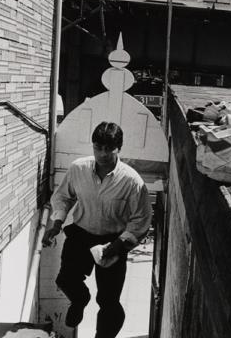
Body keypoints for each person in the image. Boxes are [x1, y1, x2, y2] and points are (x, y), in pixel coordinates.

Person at [42, 121, 152, 338]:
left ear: (119, 148)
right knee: (65, 280)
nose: (102, 154)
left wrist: (118, 246)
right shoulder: (78, 169)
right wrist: (56, 223)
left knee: (109, 301)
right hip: (81, 235)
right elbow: (63, 197)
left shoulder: (132, 181)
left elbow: (140, 219)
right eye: (97, 147)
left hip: (113, 240)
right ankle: (80, 300)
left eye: (108, 149)